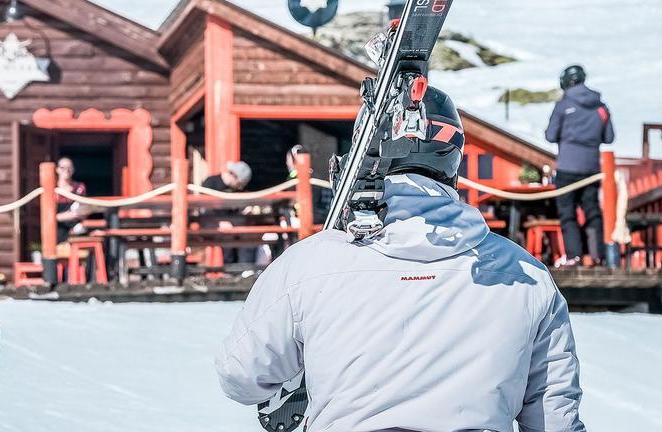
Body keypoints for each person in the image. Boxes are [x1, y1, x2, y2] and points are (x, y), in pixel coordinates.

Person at [216, 87, 584, 432]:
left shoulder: (309, 264)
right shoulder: (524, 274)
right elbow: (553, 418)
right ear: (452, 158)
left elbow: (241, 377)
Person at [545, 64, 615, 267]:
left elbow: (550, 135)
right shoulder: (601, 107)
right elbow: (609, 137)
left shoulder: (563, 105)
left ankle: (574, 256)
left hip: (567, 167)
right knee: (592, 210)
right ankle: (597, 256)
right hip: (592, 168)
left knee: (568, 213)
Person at [202, 160, 256, 266]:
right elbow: (204, 207)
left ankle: (245, 268)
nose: (240, 187)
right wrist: (219, 221)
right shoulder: (211, 182)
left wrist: (247, 209)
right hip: (211, 221)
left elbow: (240, 206)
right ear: (233, 176)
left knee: (247, 231)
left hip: (231, 222)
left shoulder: (236, 189)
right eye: (240, 184)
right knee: (227, 234)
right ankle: (230, 269)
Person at [54, 156, 89, 243]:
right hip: (58, 228)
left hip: (76, 227)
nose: (66, 170)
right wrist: (64, 216)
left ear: (73, 170)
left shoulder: (79, 188)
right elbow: (48, 215)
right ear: (57, 169)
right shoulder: (52, 189)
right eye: (63, 167)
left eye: (69, 167)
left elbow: (84, 210)